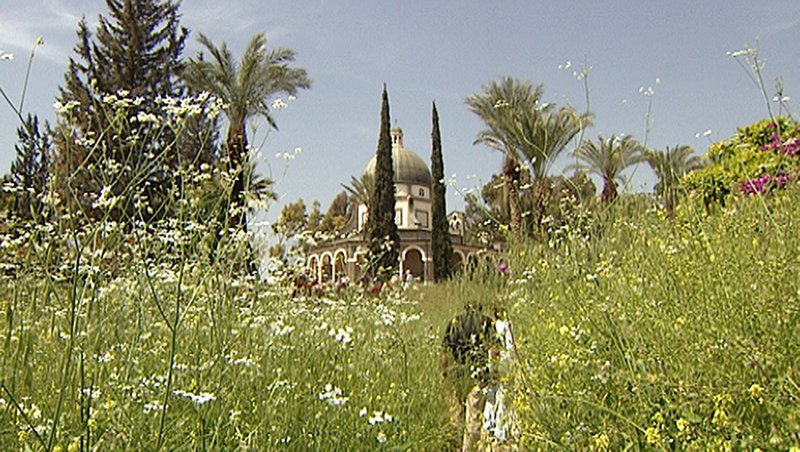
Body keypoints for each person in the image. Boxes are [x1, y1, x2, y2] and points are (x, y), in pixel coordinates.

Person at [441, 303, 499, 451]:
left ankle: (457, 445)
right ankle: (469, 448)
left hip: (457, 375)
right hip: (478, 376)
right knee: (474, 416)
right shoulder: (486, 323)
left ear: (466, 308)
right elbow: (494, 350)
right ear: (480, 307)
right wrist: (495, 373)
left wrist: (443, 373)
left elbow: (444, 352)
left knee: (458, 415)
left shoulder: (455, 322)